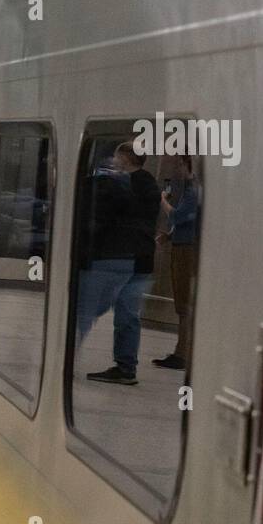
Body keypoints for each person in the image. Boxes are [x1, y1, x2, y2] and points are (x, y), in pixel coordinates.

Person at [77, 142, 160, 385]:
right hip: (143, 259)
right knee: (128, 315)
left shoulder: (122, 185)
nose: (114, 160)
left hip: (118, 257)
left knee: (86, 310)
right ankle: (126, 367)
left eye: (116, 156)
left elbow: (106, 216)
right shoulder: (150, 185)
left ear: (125, 157)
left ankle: (64, 357)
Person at [152, 154, 199, 371]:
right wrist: (170, 235)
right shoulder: (191, 189)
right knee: (182, 303)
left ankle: (182, 352)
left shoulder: (193, 191)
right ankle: (181, 350)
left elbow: (181, 216)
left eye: (177, 164)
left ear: (184, 164)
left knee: (183, 303)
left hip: (186, 250)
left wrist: (163, 202)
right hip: (182, 245)